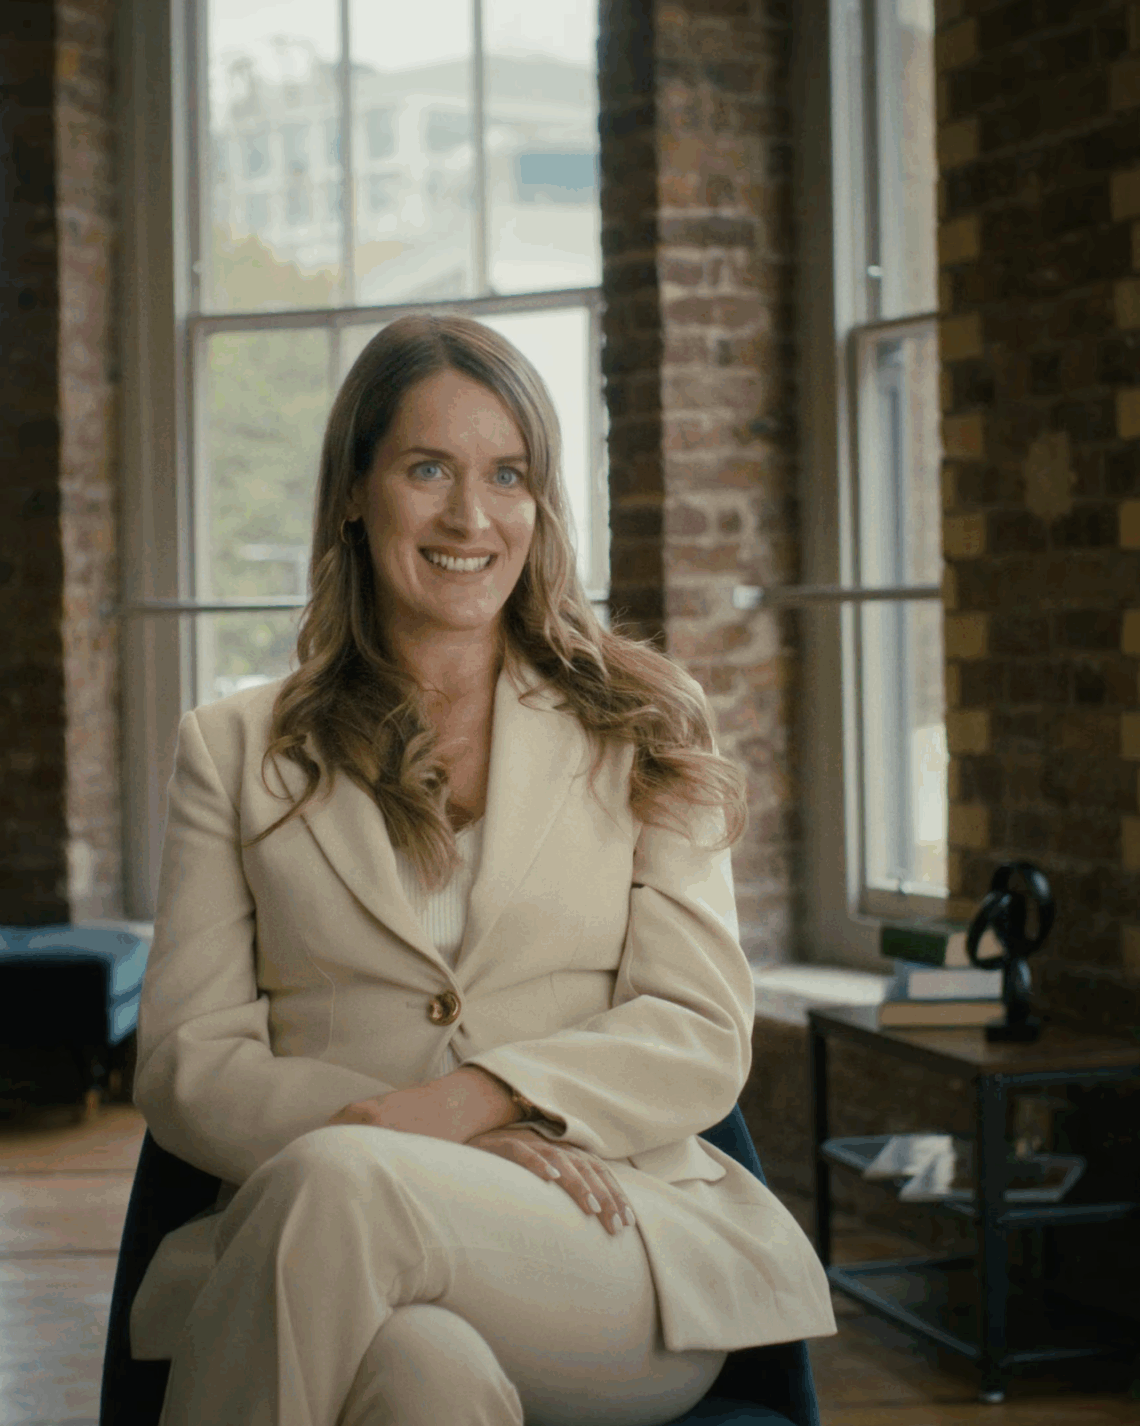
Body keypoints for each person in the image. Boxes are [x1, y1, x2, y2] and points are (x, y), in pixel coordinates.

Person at [128, 312, 834, 1426]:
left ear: (540, 505)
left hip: (609, 1240)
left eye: (508, 474)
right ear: (354, 492)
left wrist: (474, 1103)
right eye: (427, 468)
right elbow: (187, 1064)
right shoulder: (234, 749)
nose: (470, 516)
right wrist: (417, 1133)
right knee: (420, 1379)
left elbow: (698, 1028)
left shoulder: (645, 723)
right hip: (339, 1251)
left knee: (340, 1182)